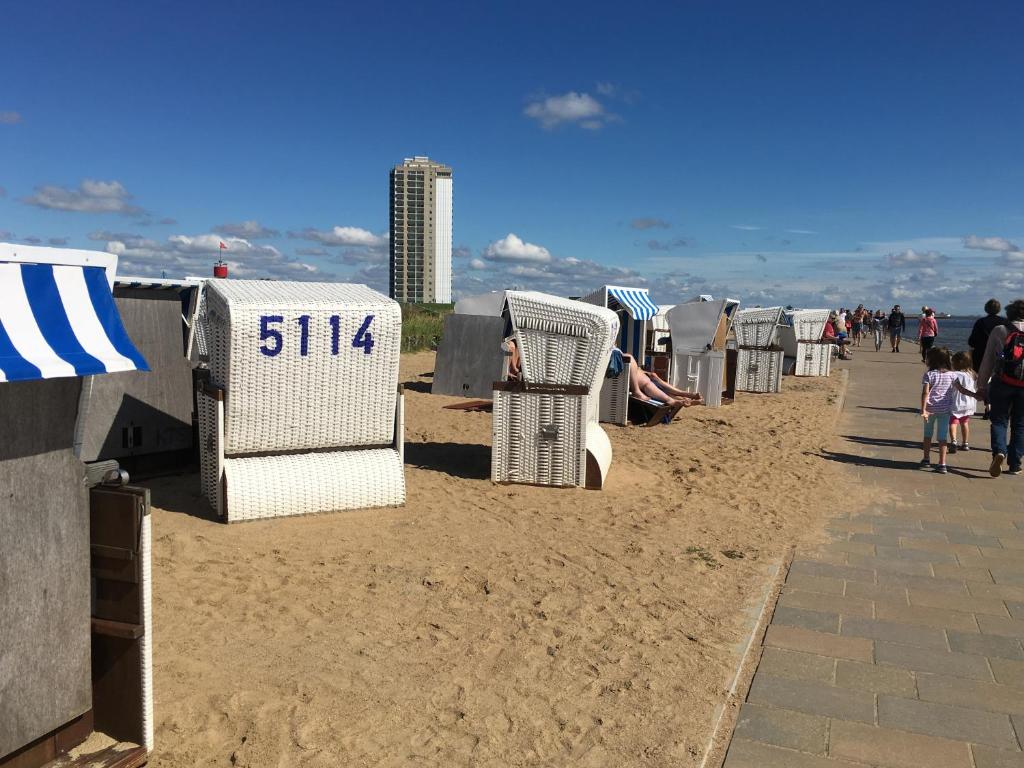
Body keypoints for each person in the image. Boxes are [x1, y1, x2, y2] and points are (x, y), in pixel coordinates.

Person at [977, 299, 1024, 477]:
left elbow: (988, 359)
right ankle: (1015, 464)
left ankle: (999, 452)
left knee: (999, 421)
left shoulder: (1000, 330)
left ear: (1009, 314)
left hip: (1002, 382)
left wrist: (981, 386)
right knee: (1020, 424)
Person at [920, 346, 973, 474]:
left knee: (928, 435)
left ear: (932, 360)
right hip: (945, 411)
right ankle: (942, 464)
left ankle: (926, 459)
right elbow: (962, 390)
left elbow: (925, 393)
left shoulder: (929, 375)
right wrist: (975, 395)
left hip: (930, 410)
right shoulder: (952, 375)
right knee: (942, 438)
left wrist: (923, 410)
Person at [627, 355, 703, 409]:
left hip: (643, 378)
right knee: (648, 383)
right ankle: (677, 399)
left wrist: (645, 372)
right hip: (641, 383)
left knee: (654, 377)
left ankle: (684, 395)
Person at [948, 351, 977, 453]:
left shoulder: (954, 374)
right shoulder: (972, 374)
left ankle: (954, 442)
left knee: (953, 422)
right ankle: (965, 443)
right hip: (969, 403)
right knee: (965, 422)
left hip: (957, 402)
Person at [968, 299, 1007, 374]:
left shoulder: (980, 322)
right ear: (999, 309)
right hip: (999, 353)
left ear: (986, 308)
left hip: (981, 353)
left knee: (979, 375)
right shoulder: (1004, 322)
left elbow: (971, 341)